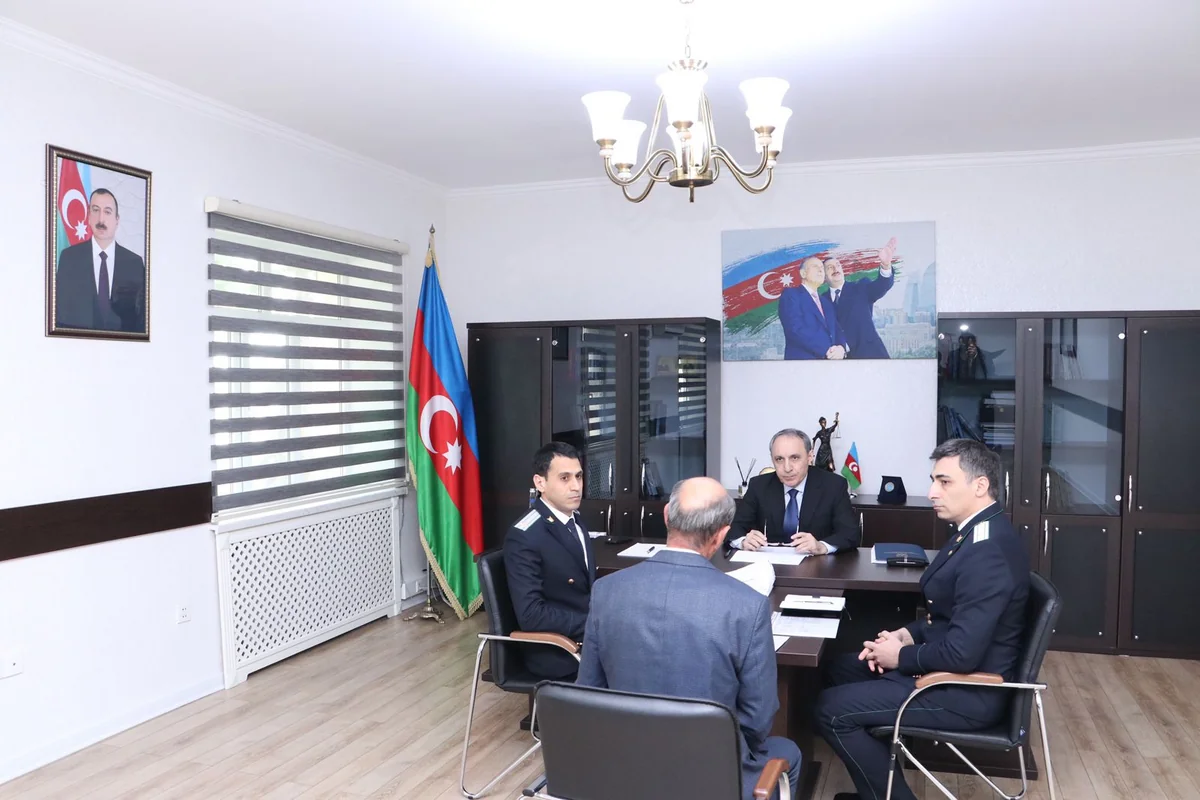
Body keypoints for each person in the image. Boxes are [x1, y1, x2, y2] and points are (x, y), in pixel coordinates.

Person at [814, 439, 1031, 800]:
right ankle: (880, 790)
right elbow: (947, 616)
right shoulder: (977, 530)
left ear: (980, 486)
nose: (932, 492)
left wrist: (900, 657)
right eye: (933, 481)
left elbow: (962, 654)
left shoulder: (988, 552)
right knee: (840, 668)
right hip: (950, 670)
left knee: (829, 710)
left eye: (944, 482)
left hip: (965, 691)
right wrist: (906, 633)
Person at [577, 477, 802, 800]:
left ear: (666, 515)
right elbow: (758, 717)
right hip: (710, 772)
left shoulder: (606, 590)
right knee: (788, 752)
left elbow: (589, 692)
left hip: (624, 766)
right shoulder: (748, 606)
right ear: (722, 535)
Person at [503, 442, 595, 680]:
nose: (576, 486)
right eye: (564, 478)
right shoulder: (525, 536)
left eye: (578, 476)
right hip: (559, 651)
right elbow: (532, 615)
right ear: (540, 483)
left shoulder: (574, 520)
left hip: (587, 639)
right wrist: (594, 624)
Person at [726, 429, 859, 554]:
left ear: (810, 456)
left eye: (794, 458)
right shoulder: (759, 485)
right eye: (779, 459)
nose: (787, 468)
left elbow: (850, 534)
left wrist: (821, 546)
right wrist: (743, 541)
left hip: (816, 565)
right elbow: (733, 529)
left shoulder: (833, 485)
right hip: (769, 564)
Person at [54, 188, 147, 333]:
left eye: (107, 212)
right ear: (89, 216)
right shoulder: (69, 259)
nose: (101, 219)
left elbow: (140, 320)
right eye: (96, 210)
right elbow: (60, 314)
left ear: (117, 220)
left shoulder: (134, 264)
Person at [823, 239, 896, 360]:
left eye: (838, 265)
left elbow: (882, 285)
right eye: (829, 267)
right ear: (824, 276)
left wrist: (885, 265)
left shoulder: (860, 287)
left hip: (872, 356)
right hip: (838, 364)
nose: (835, 268)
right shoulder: (820, 301)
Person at [777, 257, 849, 360]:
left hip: (830, 364)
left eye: (822, 268)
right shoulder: (791, 295)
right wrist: (827, 350)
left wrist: (841, 348)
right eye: (815, 266)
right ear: (803, 274)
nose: (820, 270)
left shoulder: (826, 302)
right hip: (803, 363)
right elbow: (795, 328)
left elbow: (837, 330)